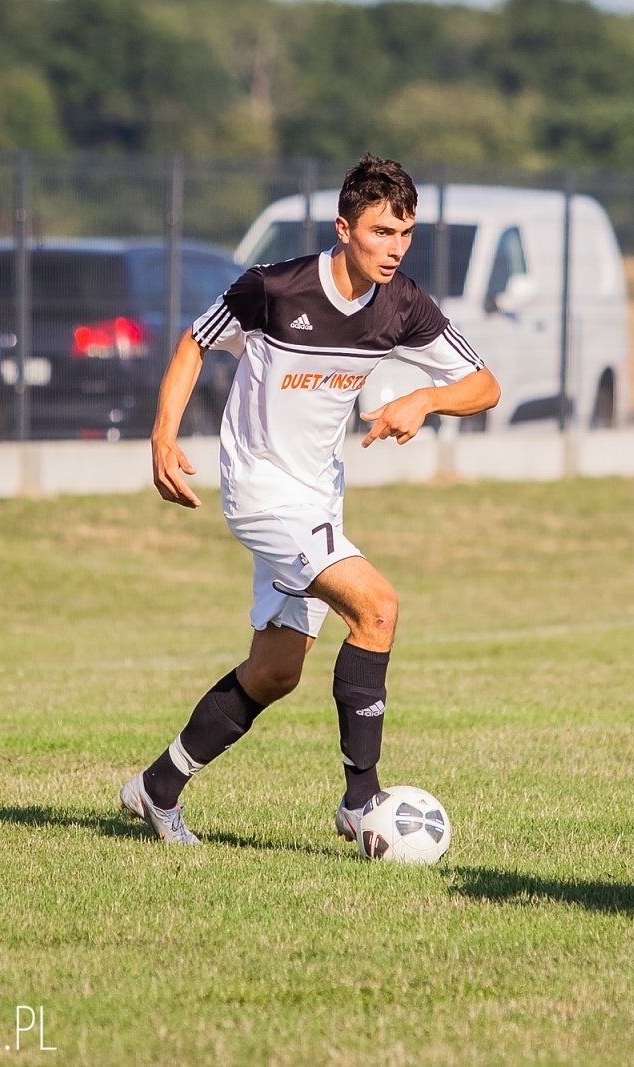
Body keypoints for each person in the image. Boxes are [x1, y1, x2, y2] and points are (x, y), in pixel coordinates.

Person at [120, 154, 501, 845]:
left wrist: (427, 397)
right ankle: (361, 803)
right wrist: (162, 436)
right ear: (344, 227)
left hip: (319, 498)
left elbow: (484, 385)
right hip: (260, 491)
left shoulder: (402, 304)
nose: (395, 248)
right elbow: (193, 343)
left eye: (405, 233)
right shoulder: (273, 288)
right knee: (378, 606)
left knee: (275, 672)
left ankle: (157, 787)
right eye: (382, 231)